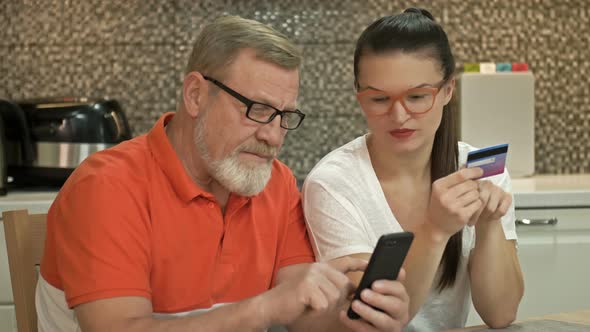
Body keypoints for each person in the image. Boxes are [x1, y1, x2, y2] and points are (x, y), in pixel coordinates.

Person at [36, 15, 409, 332]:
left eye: (284, 116)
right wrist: (262, 308)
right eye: (257, 109)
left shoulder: (275, 183)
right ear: (196, 95)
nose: (272, 135)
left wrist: (355, 314)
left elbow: (302, 311)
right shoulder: (107, 187)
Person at [302, 8, 524, 332]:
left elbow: (501, 314)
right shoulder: (333, 183)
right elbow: (373, 319)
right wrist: (435, 230)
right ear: (360, 98)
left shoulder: (480, 170)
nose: (399, 115)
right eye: (379, 99)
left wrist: (489, 223)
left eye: (418, 96)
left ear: (448, 90)